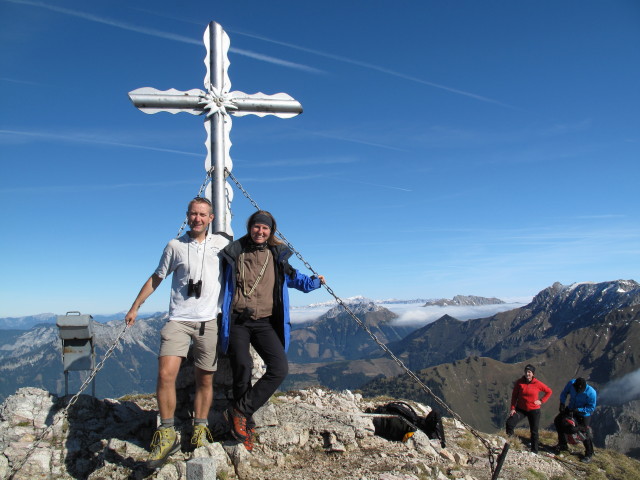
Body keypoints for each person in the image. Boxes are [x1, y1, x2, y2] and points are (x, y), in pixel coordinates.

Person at [125, 197, 229, 469]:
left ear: (211, 218)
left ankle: (199, 428)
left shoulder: (222, 245)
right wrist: (136, 306)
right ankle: (167, 431)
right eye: (193, 214)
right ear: (187, 216)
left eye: (202, 214)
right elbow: (157, 276)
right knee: (165, 373)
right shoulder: (175, 246)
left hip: (209, 321)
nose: (197, 218)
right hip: (179, 320)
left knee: (205, 379)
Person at [220, 210, 325, 451]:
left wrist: (315, 282)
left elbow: (294, 278)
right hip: (237, 320)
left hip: (264, 321)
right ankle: (243, 424)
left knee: (279, 368)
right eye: (257, 227)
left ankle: (239, 412)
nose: (260, 231)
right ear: (250, 228)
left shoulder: (276, 256)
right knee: (242, 367)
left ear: (271, 231)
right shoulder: (233, 253)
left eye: (265, 228)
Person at [505, 364, 552, 453]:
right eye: (526, 371)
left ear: (533, 374)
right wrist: (512, 408)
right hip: (521, 409)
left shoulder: (537, 383)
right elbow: (514, 396)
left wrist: (541, 401)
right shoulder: (519, 382)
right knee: (510, 423)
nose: (527, 373)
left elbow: (549, 391)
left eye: (529, 372)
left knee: (534, 431)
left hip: (534, 410)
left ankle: (534, 451)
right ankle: (510, 443)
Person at [553, 377, 597, 463]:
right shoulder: (571, 384)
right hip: (570, 409)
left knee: (584, 432)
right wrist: (562, 403)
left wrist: (579, 410)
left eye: (579, 390)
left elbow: (591, 408)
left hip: (583, 414)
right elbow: (564, 393)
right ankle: (563, 444)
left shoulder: (591, 393)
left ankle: (589, 453)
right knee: (558, 421)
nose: (577, 391)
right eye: (576, 389)